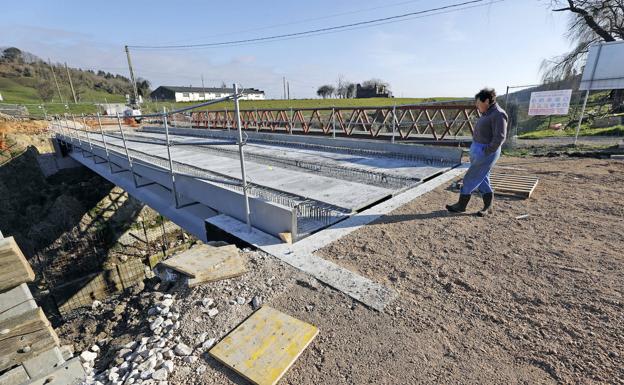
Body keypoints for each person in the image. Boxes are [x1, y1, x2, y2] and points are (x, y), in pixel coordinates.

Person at [446, 88, 508, 216]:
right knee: (483, 178)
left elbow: (500, 137)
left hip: (486, 152)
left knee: (471, 177)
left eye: (478, 103)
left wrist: (487, 151)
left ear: (486, 101)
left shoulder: (498, 114)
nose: (476, 105)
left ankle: (461, 205)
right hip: (480, 150)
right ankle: (488, 207)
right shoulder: (487, 113)